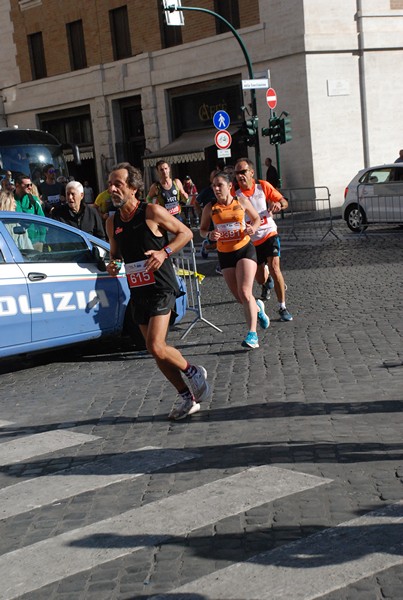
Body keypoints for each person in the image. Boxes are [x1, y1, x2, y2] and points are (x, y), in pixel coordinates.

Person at [106, 162, 210, 420]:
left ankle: (193, 371)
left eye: (117, 184)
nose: (112, 189)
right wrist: (113, 265)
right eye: (110, 184)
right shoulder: (112, 221)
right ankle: (187, 396)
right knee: (156, 350)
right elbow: (115, 255)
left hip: (162, 287)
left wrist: (164, 253)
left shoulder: (151, 212)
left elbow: (185, 233)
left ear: (133, 188)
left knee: (155, 345)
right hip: (138, 289)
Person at [199, 171, 270, 349]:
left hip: (245, 249)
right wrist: (209, 235)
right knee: (240, 297)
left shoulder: (241, 201)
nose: (216, 189)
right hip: (225, 254)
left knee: (245, 292)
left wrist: (252, 228)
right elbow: (201, 229)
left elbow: (256, 219)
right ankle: (258, 308)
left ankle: (252, 335)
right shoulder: (210, 207)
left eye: (219, 185)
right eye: (213, 186)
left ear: (230, 186)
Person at [234, 157, 293, 322]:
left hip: (269, 233)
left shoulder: (263, 186)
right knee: (260, 277)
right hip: (250, 240)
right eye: (237, 173)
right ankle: (266, 283)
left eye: (243, 172)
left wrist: (279, 205)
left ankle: (282, 307)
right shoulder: (234, 193)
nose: (240, 176)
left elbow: (283, 201)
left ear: (251, 173)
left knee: (275, 268)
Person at [14, 172, 46, 249]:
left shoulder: (34, 200)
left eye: (31, 185)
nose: (30, 187)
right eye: (27, 185)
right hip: (15, 242)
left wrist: (41, 240)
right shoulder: (10, 201)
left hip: (34, 241)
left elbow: (43, 221)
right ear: (17, 185)